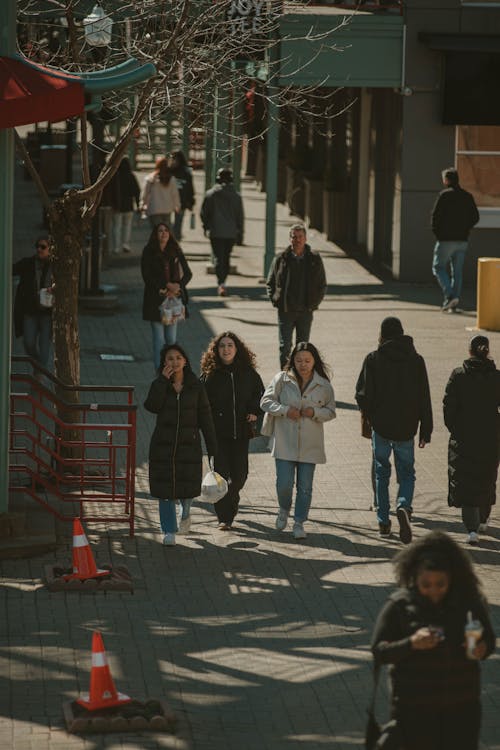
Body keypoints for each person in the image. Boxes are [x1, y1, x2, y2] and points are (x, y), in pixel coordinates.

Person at [371, 530, 495, 750]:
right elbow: (379, 652)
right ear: (414, 578)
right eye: (426, 584)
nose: (434, 591)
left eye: (441, 584)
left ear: (452, 579)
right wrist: (411, 643)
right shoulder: (399, 605)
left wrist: (481, 648)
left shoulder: (469, 602)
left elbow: (489, 641)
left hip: (461, 709)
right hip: (414, 711)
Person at [355, 317, 433, 543]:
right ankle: (404, 505)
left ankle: (383, 521)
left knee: (381, 471)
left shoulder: (373, 359)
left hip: (381, 427)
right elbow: (424, 397)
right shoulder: (416, 360)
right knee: (407, 472)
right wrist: (425, 429)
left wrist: (369, 414)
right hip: (407, 427)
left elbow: (362, 394)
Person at [260, 342, 336, 540]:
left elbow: (331, 411)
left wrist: (314, 412)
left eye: (307, 361)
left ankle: (299, 521)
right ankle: (284, 509)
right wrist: (285, 410)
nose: (303, 364)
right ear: (292, 360)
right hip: (285, 441)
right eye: (299, 360)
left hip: (310, 444)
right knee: (284, 484)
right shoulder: (281, 379)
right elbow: (265, 402)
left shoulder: (324, 384)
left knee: (305, 486)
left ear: (314, 362)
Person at [144, 343, 217, 546]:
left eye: (178, 358)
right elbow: (151, 406)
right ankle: (168, 530)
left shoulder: (196, 386)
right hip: (162, 446)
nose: (174, 362)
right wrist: (162, 381)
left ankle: (185, 513)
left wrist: (213, 448)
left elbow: (205, 417)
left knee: (186, 488)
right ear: (164, 363)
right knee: (164, 490)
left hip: (189, 445)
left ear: (185, 361)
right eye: (170, 358)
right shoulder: (159, 384)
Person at [200, 332, 264, 530]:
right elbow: (201, 403)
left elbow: (260, 395)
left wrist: (254, 411)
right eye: (222, 346)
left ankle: (231, 500)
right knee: (221, 476)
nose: (226, 349)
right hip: (218, 435)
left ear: (237, 349)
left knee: (239, 476)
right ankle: (225, 518)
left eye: (230, 345)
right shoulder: (210, 375)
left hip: (241, 434)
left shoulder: (248, 373)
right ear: (216, 351)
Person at [443, 335, 500, 545]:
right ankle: (483, 519)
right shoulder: (496, 377)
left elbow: (448, 406)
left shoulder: (458, 375)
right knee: (486, 477)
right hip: (490, 437)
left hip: (464, 438)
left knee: (466, 480)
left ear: (469, 351)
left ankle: (472, 530)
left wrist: (455, 429)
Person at [266, 224, 326, 369]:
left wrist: (313, 304)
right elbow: (270, 282)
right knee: (285, 347)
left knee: (303, 348)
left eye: (300, 237)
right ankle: (285, 375)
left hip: (305, 311)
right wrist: (276, 301)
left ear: (305, 238)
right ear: (290, 239)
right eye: (294, 237)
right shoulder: (281, 259)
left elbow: (321, 285)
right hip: (286, 311)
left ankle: (301, 376)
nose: (297, 240)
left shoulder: (314, 259)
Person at [141, 223, 192, 371]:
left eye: (166, 231)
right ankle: (159, 371)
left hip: (173, 301)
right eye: (160, 231)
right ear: (155, 234)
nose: (163, 234)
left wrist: (178, 286)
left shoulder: (175, 250)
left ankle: (173, 369)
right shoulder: (149, 251)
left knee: (171, 339)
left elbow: (188, 273)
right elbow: (147, 276)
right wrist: (165, 285)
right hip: (155, 301)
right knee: (159, 339)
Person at [431, 167, 479, 312]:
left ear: (447, 180)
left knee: (438, 267)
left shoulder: (444, 196)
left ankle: (450, 296)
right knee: (457, 272)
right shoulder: (467, 196)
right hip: (462, 240)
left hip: (445, 239)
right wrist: (466, 229)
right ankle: (454, 301)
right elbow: (475, 217)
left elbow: (435, 217)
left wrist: (438, 234)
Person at [200, 167, 244, 297]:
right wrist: (240, 232)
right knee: (226, 256)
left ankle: (221, 283)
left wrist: (206, 226)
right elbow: (240, 216)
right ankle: (223, 282)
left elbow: (204, 213)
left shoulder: (211, 194)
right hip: (231, 232)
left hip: (216, 231)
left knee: (219, 257)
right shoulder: (236, 196)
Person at [13, 236, 54, 368]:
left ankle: (39, 375)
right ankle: (38, 366)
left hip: (47, 312)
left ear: (50, 249)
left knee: (44, 346)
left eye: (43, 247)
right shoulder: (28, 263)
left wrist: (54, 289)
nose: (39, 249)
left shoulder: (55, 267)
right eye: (37, 246)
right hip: (30, 311)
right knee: (28, 342)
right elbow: (12, 269)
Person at [107, 157, 140, 254]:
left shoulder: (115, 177)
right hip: (128, 205)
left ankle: (116, 247)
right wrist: (138, 205)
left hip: (117, 205)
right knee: (127, 226)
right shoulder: (131, 176)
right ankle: (126, 245)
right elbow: (137, 191)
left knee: (116, 226)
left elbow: (111, 192)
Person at [140, 157, 180, 228]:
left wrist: (142, 204)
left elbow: (144, 194)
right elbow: (175, 194)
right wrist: (177, 205)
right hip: (167, 209)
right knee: (165, 231)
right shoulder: (171, 179)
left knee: (156, 230)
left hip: (154, 209)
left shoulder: (150, 178)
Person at [168, 150, 195, 241]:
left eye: (174, 158)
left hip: (181, 201)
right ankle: (171, 237)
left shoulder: (186, 172)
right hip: (168, 200)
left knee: (178, 221)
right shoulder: (168, 171)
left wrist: (191, 201)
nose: (172, 161)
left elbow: (190, 188)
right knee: (167, 221)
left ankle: (176, 238)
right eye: (171, 158)